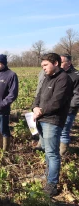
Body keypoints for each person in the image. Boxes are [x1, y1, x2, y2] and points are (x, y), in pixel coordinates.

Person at [32, 53, 73, 197]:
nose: (43, 68)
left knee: (52, 153)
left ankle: (52, 184)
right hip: (42, 119)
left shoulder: (64, 79)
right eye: (42, 65)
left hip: (53, 121)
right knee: (47, 150)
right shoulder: (46, 78)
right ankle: (47, 175)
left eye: (45, 65)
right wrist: (35, 107)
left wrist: (40, 111)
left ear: (55, 63)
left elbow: (57, 101)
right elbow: (38, 96)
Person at [59, 54, 79, 155]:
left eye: (62, 62)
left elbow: (77, 96)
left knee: (64, 131)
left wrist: (69, 108)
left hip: (68, 110)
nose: (59, 64)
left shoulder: (76, 75)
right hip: (57, 108)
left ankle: (62, 154)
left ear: (69, 63)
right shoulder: (59, 73)